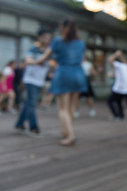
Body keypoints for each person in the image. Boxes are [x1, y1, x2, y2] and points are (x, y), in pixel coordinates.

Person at [32, 18, 87, 146]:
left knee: (62, 108)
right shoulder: (81, 43)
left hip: (64, 73)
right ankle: (67, 130)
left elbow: (44, 58)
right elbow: (82, 58)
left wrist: (32, 62)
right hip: (78, 73)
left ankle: (71, 135)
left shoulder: (57, 41)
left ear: (62, 27)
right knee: (72, 106)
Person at [14, 28, 52, 136]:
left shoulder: (49, 51)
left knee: (27, 103)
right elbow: (28, 61)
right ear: (39, 37)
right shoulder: (33, 49)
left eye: (49, 37)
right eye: (45, 37)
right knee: (32, 103)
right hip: (30, 80)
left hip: (39, 81)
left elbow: (51, 65)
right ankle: (33, 127)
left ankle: (20, 123)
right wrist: (40, 60)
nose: (47, 39)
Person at [107, 50, 127, 120]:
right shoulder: (126, 66)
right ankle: (121, 115)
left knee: (109, 101)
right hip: (126, 89)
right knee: (118, 102)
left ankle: (116, 115)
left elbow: (109, 60)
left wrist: (115, 54)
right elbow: (117, 76)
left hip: (119, 89)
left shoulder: (118, 65)